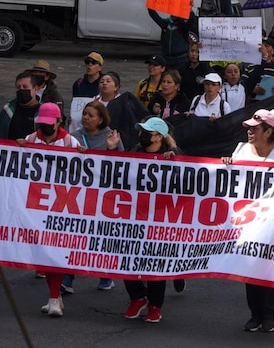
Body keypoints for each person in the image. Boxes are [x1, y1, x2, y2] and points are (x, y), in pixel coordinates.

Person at [226, 110, 274, 332]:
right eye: (249, 128)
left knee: (265, 267)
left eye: (254, 129)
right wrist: (226, 163)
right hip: (246, 221)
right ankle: (254, 314)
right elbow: (228, 178)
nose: (250, 132)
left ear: (268, 132)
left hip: (272, 221)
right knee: (249, 268)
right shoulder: (241, 150)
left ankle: (267, 313)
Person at [17, 103, 81, 317]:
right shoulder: (31, 139)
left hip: (62, 204)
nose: (44, 127)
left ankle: (54, 297)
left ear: (59, 122)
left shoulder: (70, 141)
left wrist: (83, 154)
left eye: (48, 123)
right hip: (38, 204)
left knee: (57, 252)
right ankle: (55, 296)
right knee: (44, 253)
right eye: (42, 124)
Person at [123, 117, 180, 324]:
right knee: (127, 257)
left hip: (161, 217)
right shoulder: (133, 152)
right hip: (134, 215)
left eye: (148, 132)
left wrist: (173, 162)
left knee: (156, 261)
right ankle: (137, 297)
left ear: (159, 137)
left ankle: (155, 304)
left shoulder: (174, 156)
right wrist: (111, 151)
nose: (142, 135)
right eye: (142, 131)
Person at [65, 101, 120, 293]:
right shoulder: (74, 137)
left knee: (101, 236)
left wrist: (112, 149)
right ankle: (67, 278)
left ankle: (105, 276)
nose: (86, 118)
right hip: (79, 194)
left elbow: (123, 166)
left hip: (104, 195)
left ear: (101, 120)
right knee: (75, 236)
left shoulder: (111, 136)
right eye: (85, 114)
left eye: (91, 115)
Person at [0, 72, 41, 139]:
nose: (21, 89)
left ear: (35, 89)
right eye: (18, 87)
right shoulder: (8, 109)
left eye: (25, 87)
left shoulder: (43, 111)